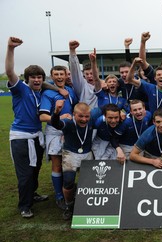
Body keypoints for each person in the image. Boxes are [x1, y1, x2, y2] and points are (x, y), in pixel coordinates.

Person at [6, 36, 49, 218]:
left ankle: (33, 194)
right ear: (27, 78)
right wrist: (10, 49)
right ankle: (24, 205)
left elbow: (46, 84)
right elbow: (9, 72)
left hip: (36, 136)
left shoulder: (40, 92)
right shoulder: (21, 89)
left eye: (39, 77)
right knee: (24, 174)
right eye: (33, 77)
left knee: (35, 169)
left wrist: (58, 89)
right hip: (21, 138)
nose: (37, 80)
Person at [51, 100, 102, 220]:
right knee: (68, 181)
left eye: (86, 116)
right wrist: (57, 112)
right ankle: (69, 206)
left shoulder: (93, 119)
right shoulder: (68, 123)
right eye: (80, 116)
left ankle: (88, 203)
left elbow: (106, 107)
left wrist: (121, 112)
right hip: (71, 154)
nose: (84, 119)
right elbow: (56, 124)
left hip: (88, 153)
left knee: (92, 181)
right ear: (74, 114)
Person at [39, 65, 78, 210]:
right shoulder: (47, 93)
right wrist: (58, 116)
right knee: (56, 164)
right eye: (56, 74)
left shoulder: (70, 90)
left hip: (68, 131)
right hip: (54, 131)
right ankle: (59, 196)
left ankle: (68, 190)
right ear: (52, 76)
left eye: (62, 74)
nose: (60, 77)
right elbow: (42, 116)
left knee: (68, 162)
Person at [69, 40, 98, 108]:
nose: (89, 76)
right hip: (84, 116)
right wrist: (72, 51)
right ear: (83, 75)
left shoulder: (103, 85)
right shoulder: (82, 85)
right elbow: (75, 71)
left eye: (91, 73)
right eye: (87, 74)